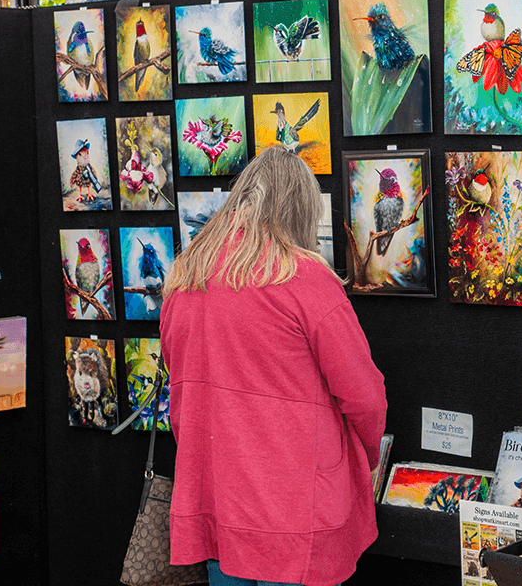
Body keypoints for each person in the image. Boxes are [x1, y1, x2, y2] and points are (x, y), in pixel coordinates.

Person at [160, 147, 387, 586]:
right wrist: (370, 457)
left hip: (218, 502)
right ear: (301, 207)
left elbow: (181, 392)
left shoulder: (185, 278)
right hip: (296, 509)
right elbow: (365, 396)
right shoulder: (303, 278)